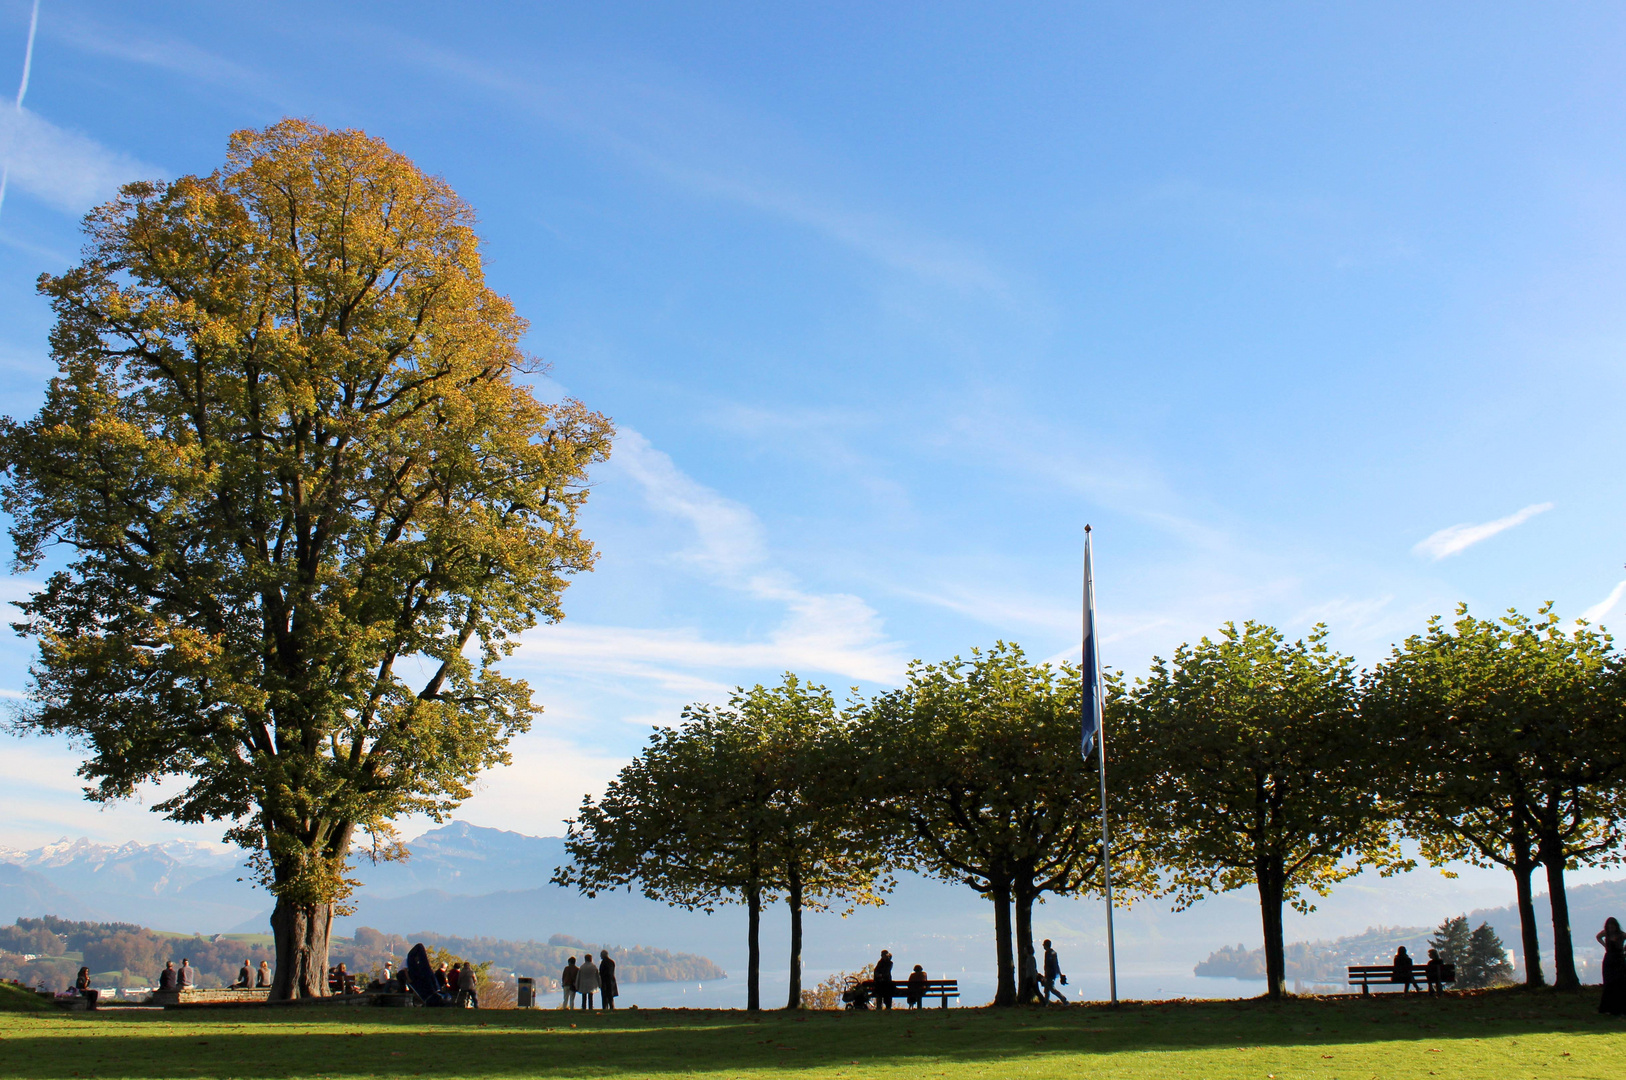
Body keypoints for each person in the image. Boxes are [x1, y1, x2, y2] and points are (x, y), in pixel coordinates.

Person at [1599, 917, 1626, 1016]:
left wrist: (1624, 949)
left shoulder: (1621, 935)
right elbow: (1598, 937)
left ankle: (1620, 1009)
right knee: (1609, 983)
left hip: (1619, 959)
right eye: (1609, 927)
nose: (1611, 928)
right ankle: (1608, 1008)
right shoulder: (1606, 933)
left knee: (1620, 983)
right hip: (1609, 959)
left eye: (1612, 926)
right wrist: (1605, 945)